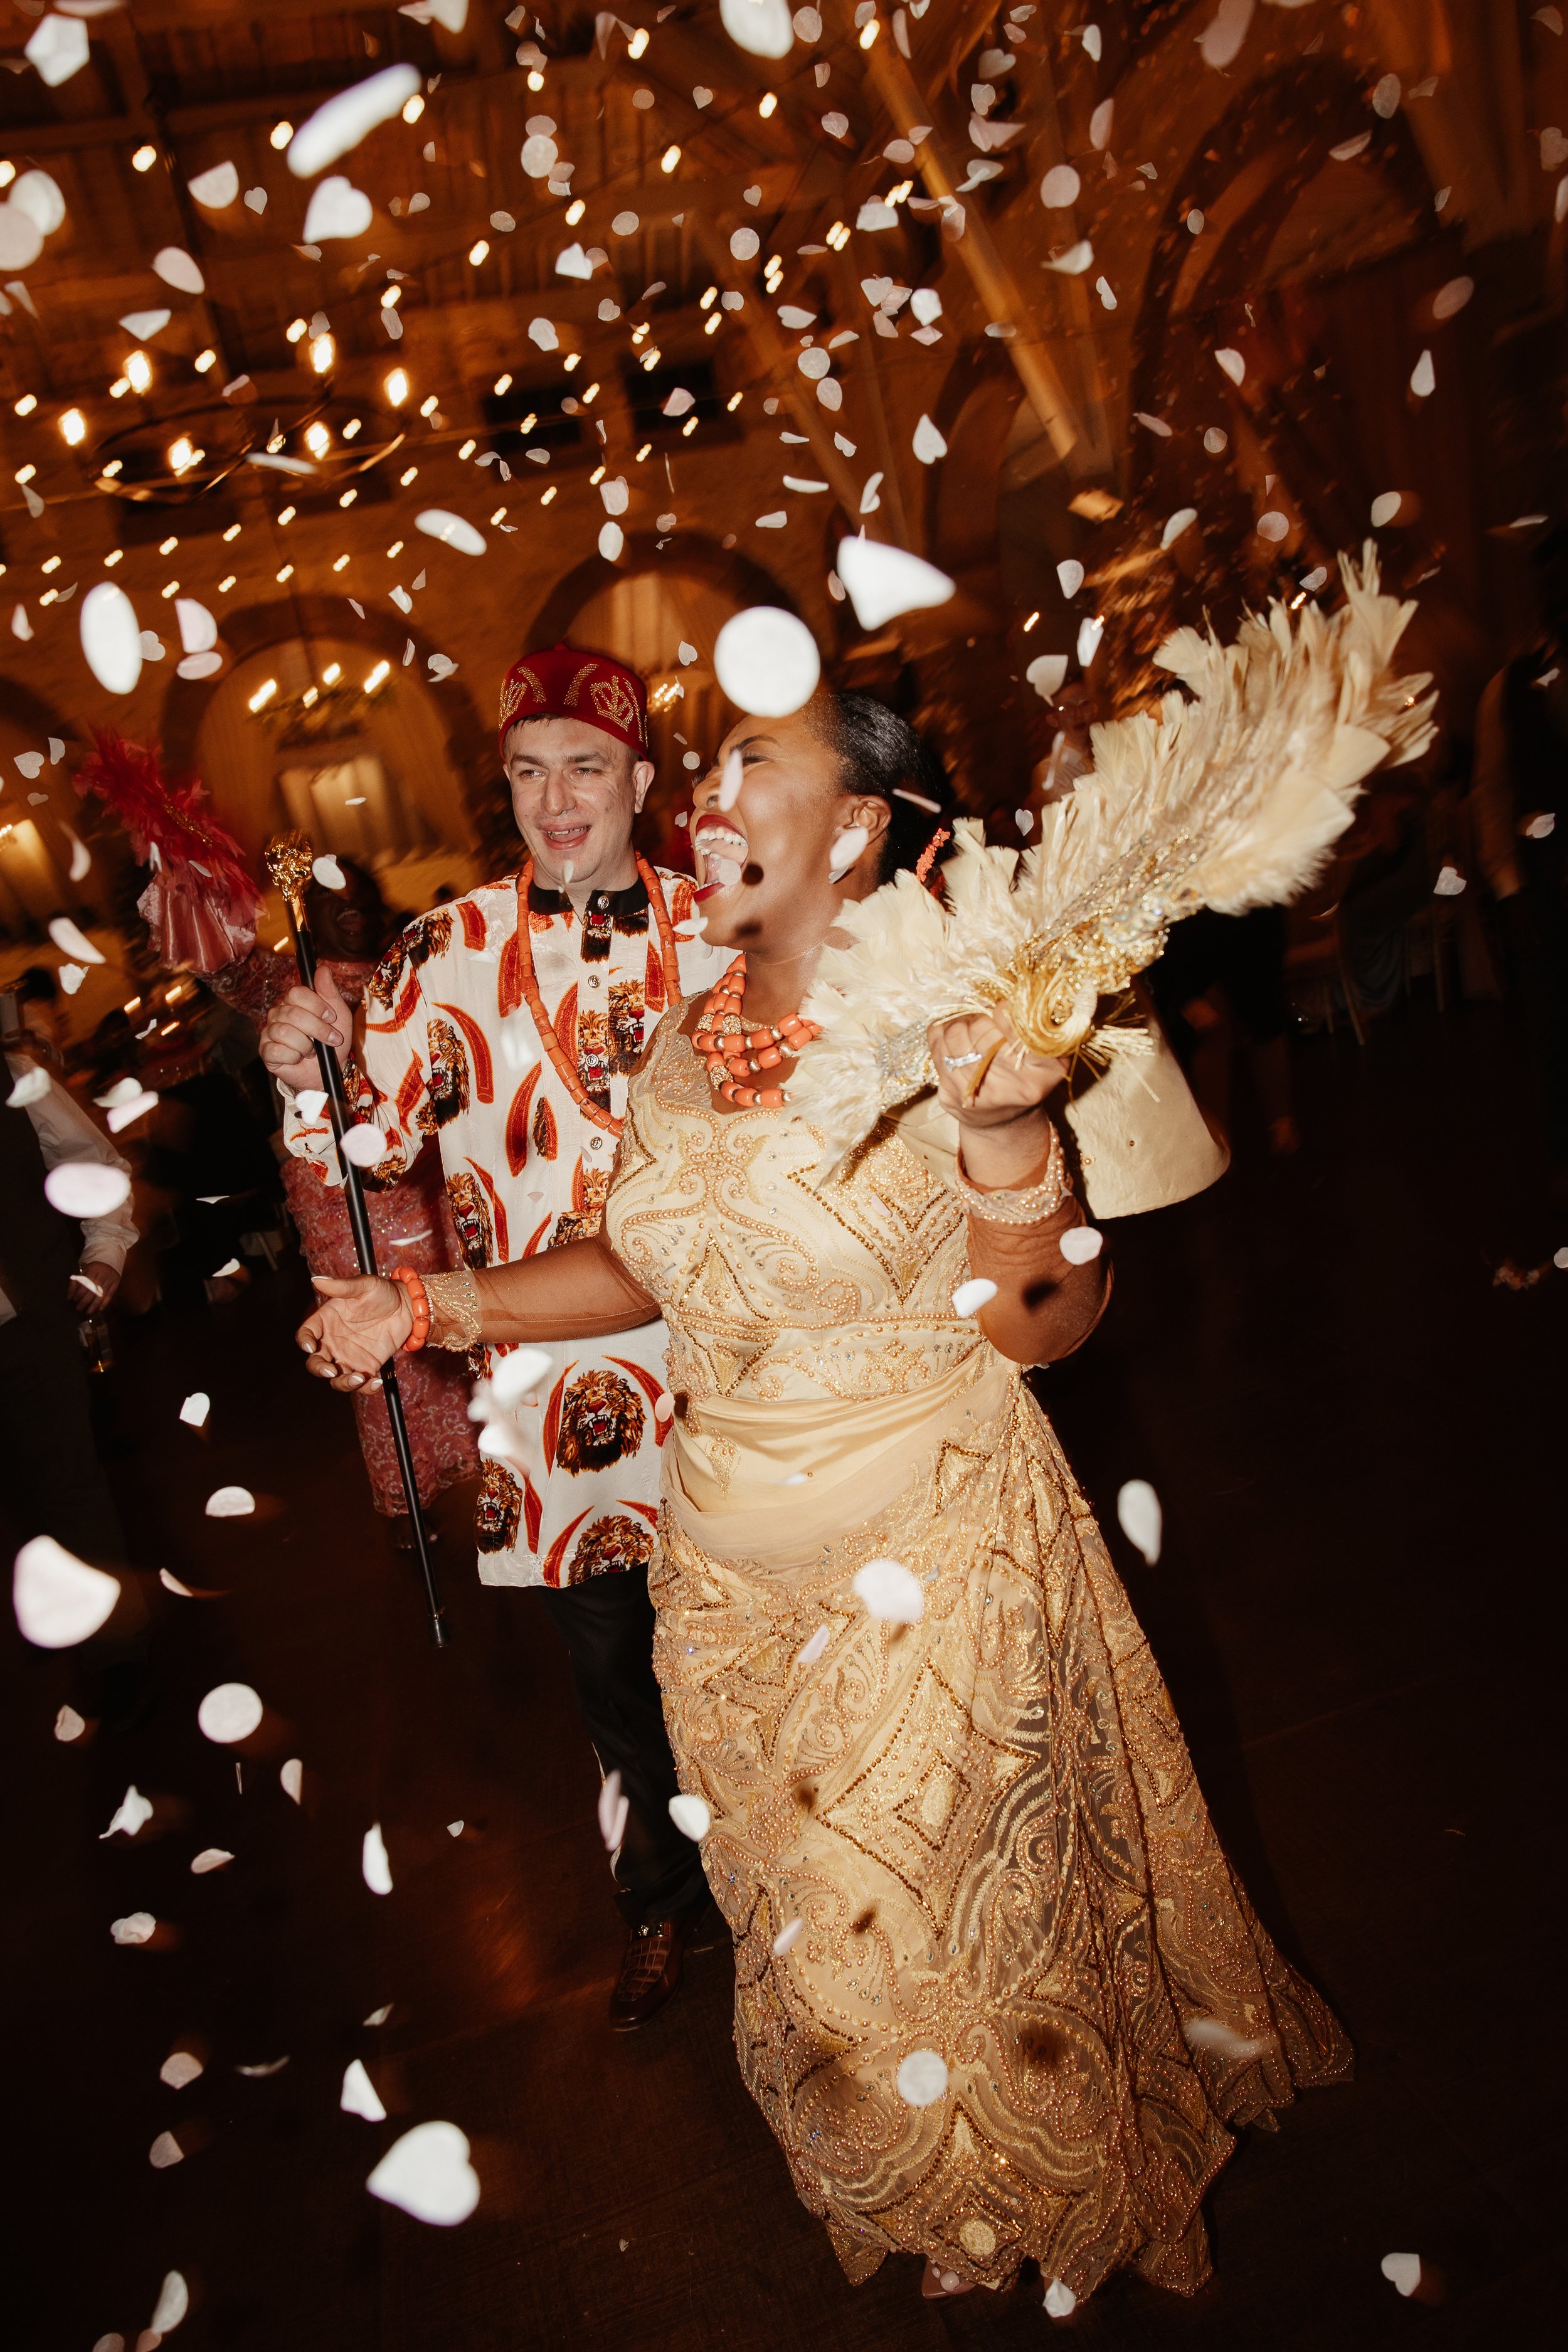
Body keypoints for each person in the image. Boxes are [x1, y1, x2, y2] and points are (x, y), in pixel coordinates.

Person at [296, 691, 1351, 2309]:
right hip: (720, 1574)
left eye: (749, 768)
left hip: (926, 1543)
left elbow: (1049, 1321)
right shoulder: (683, 1029)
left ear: (856, 826)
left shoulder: (958, 1018)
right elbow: (644, 1260)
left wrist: (1004, 1142)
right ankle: (945, 2190)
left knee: (962, 1930)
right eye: (707, 766)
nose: (708, 798)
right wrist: (430, 1312)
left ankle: (1042, 2191)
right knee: (829, 1942)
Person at [258, 644, 728, 2028]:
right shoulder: (439, 953)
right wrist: (303, 1075)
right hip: (550, 1391)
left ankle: (784, 1884)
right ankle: (656, 1901)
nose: (557, 801)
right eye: (529, 774)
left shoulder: (726, 928)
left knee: (756, 1647)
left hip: (728, 1374)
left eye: (586, 768)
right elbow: (365, 1151)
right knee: (614, 1678)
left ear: (641, 778)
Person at [208, 857, 477, 1539]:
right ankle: (409, 1490)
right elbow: (216, 962)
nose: (349, 909)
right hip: (337, 1195)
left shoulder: (419, 961)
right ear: (308, 918)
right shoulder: (284, 978)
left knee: (446, 1315)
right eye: (332, 902)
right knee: (372, 1339)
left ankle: (485, 1465)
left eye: (359, 896)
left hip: (420, 1180)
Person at [1, 1035, 137, 1574]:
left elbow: (93, 1163)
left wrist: (104, 1248)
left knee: (69, 1484)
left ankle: (115, 1640)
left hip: (27, 1327)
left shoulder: (14, 1077)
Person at [1470, 525, 1568, 1202]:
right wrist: (1510, 891)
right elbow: (1493, 793)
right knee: (1555, 1036)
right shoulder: (1508, 688)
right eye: (1552, 582)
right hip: (1550, 887)